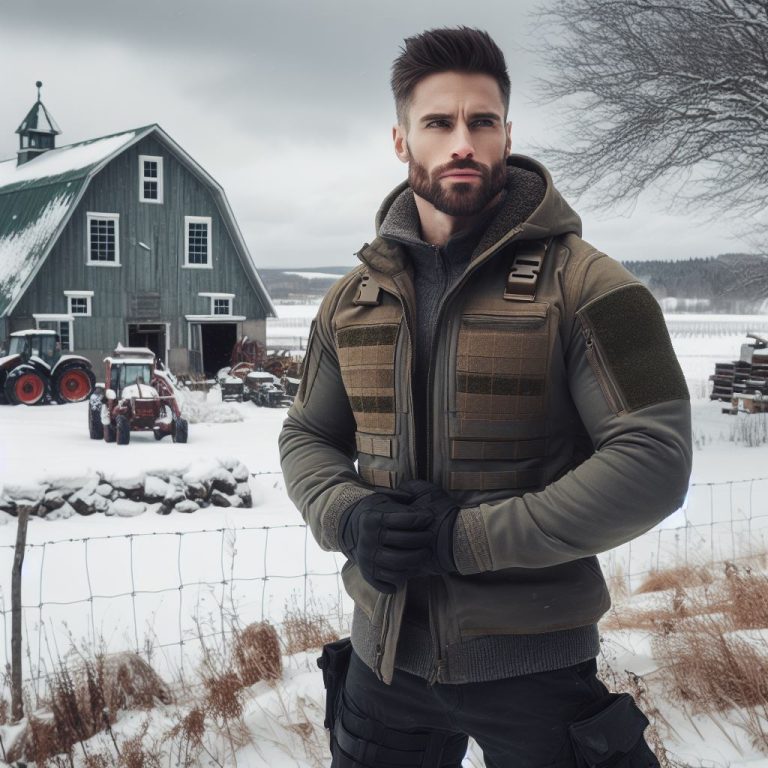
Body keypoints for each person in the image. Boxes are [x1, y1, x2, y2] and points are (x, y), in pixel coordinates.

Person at [279, 26, 691, 768]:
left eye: (482, 120)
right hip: (383, 660)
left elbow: (653, 458)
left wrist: (464, 539)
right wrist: (351, 517)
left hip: (534, 665)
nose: (461, 140)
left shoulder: (594, 287)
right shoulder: (351, 298)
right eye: (438, 122)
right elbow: (306, 434)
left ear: (507, 133)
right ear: (402, 140)